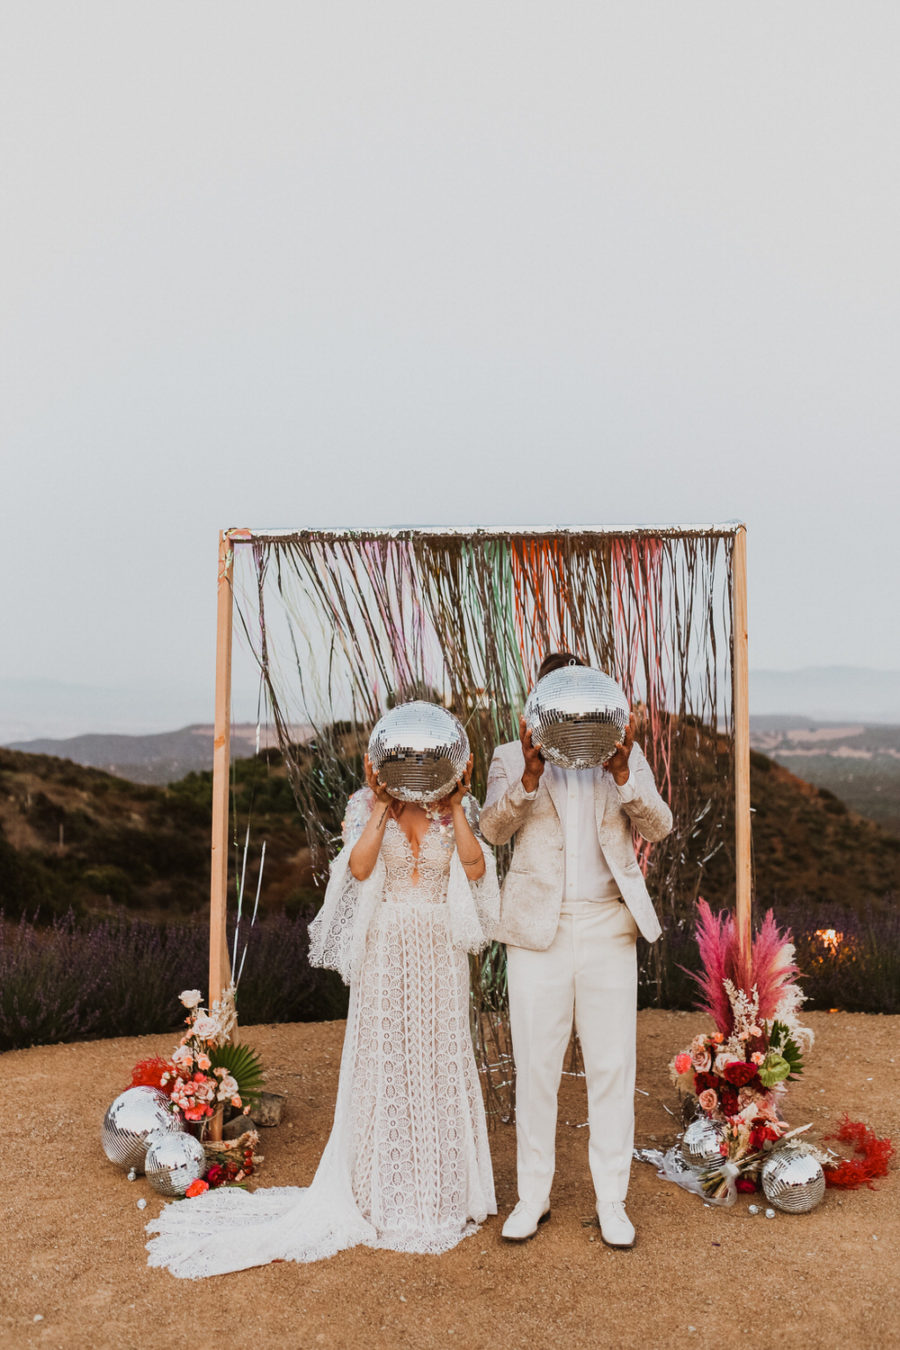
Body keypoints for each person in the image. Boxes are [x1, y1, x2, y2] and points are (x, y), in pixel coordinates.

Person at [147, 745, 499, 1278]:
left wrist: (456, 805)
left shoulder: (455, 809)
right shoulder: (364, 803)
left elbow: (474, 870)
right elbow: (359, 869)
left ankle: (443, 1191)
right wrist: (380, 807)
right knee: (384, 1063)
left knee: (439, 1061)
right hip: (385, 951)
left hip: (439, 953)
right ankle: (380, 1191)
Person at [480, 653, 672, 1248]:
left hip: (609, 929)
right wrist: (530, 779)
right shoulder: (511, 758)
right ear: (538, 704)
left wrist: (622, 774)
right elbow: (491, 831)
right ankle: (532, 1199)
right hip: (538, 934)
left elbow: (659, 826)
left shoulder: (624, 754)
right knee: (536, 1068)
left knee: (612, 1067)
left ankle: (611, 1201)